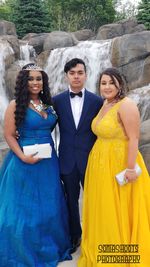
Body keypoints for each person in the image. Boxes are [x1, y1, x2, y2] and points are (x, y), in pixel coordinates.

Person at [0, 63, 72, 267]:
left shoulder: (46, 105)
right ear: (24, 82)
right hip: (25, 161)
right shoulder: (15, 105)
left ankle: (48, 245)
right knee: (24, 207)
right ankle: (23, 249)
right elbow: (8, 134)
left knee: (49, 202)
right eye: (31, 79)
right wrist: (23, 157)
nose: (35, 82)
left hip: (48, 161)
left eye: (39, 79)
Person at [78, 67, 150, 267]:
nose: (107, 86)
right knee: (104, 206)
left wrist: (129, 168)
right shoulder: (105, 104)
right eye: (103, 83)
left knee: (121, 208)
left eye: (111, 82)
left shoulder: (126, 105)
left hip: (120, 162)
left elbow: (134, 138)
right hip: (100, 162)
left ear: (120, 84)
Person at [53, 58, 103, 253]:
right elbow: (44, 124)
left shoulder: (97, 101)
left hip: (91, 160)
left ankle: (96, 234)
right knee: (70, 201)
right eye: (72, 73)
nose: (76, 76)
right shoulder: (56, 101)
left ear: (85, 75)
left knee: (94, 199)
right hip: (66, 160)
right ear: (66, 76)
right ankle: (75, 236)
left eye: (80, 72)